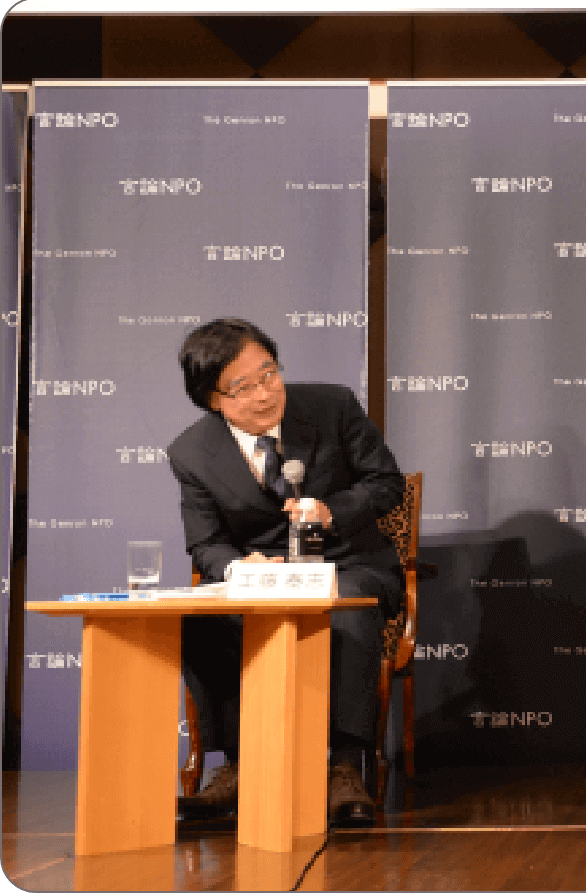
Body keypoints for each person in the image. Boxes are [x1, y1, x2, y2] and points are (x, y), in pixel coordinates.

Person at [169, 318, 406, 825]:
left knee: (347, 600)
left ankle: (345, 767)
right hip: (264, 580)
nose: (264, 394)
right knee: (199, 618)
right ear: (212, 399)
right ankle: (237, 765)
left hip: (348, 562)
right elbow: (206, 543)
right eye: (243, 387)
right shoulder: (191, 453)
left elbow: (387, 482)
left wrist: (332, 510)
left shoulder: (332, 406)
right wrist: (239, 566)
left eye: (269, 374)